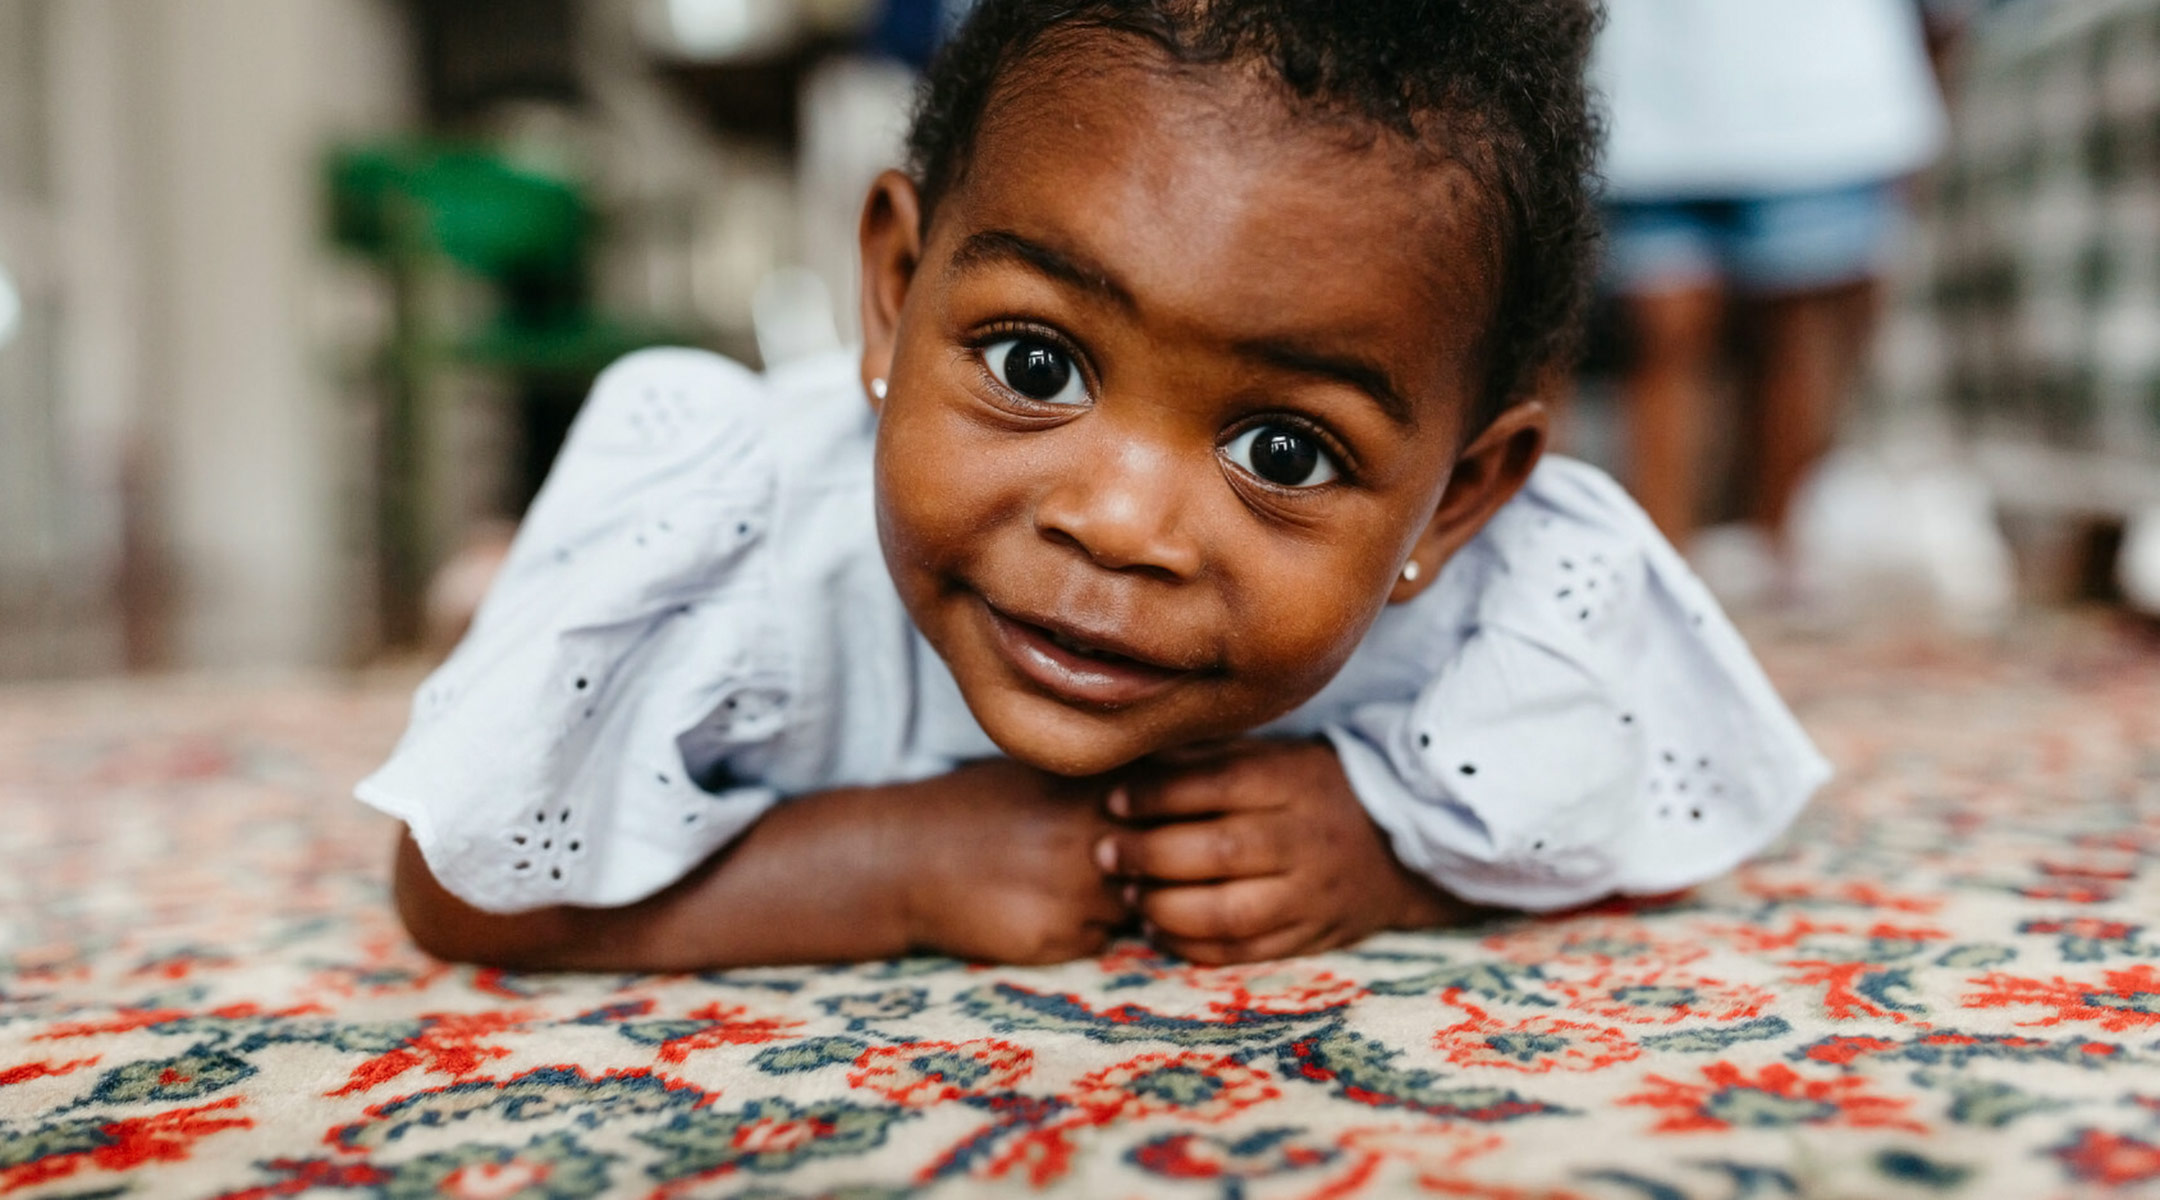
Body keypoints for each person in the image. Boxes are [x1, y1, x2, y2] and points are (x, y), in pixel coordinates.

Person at [364, 0, 1830, 971]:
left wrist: (1394, 853)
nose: (1118, 521)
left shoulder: (1504, 600)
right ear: (893, 293)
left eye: (1283, 453)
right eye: (1036, 364)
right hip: (779, 505)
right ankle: (509, 592)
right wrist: (888, 867)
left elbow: (1645, 787)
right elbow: (454, 889)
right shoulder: (755, 547)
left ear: (1455, 501)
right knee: (553, 658)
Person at [1592, 0, 1946, 551]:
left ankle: (1779, 554)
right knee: (1661, 333)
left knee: (1794, 334)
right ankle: (1658, 557)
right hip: (1650, 92)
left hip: (1813, 93)